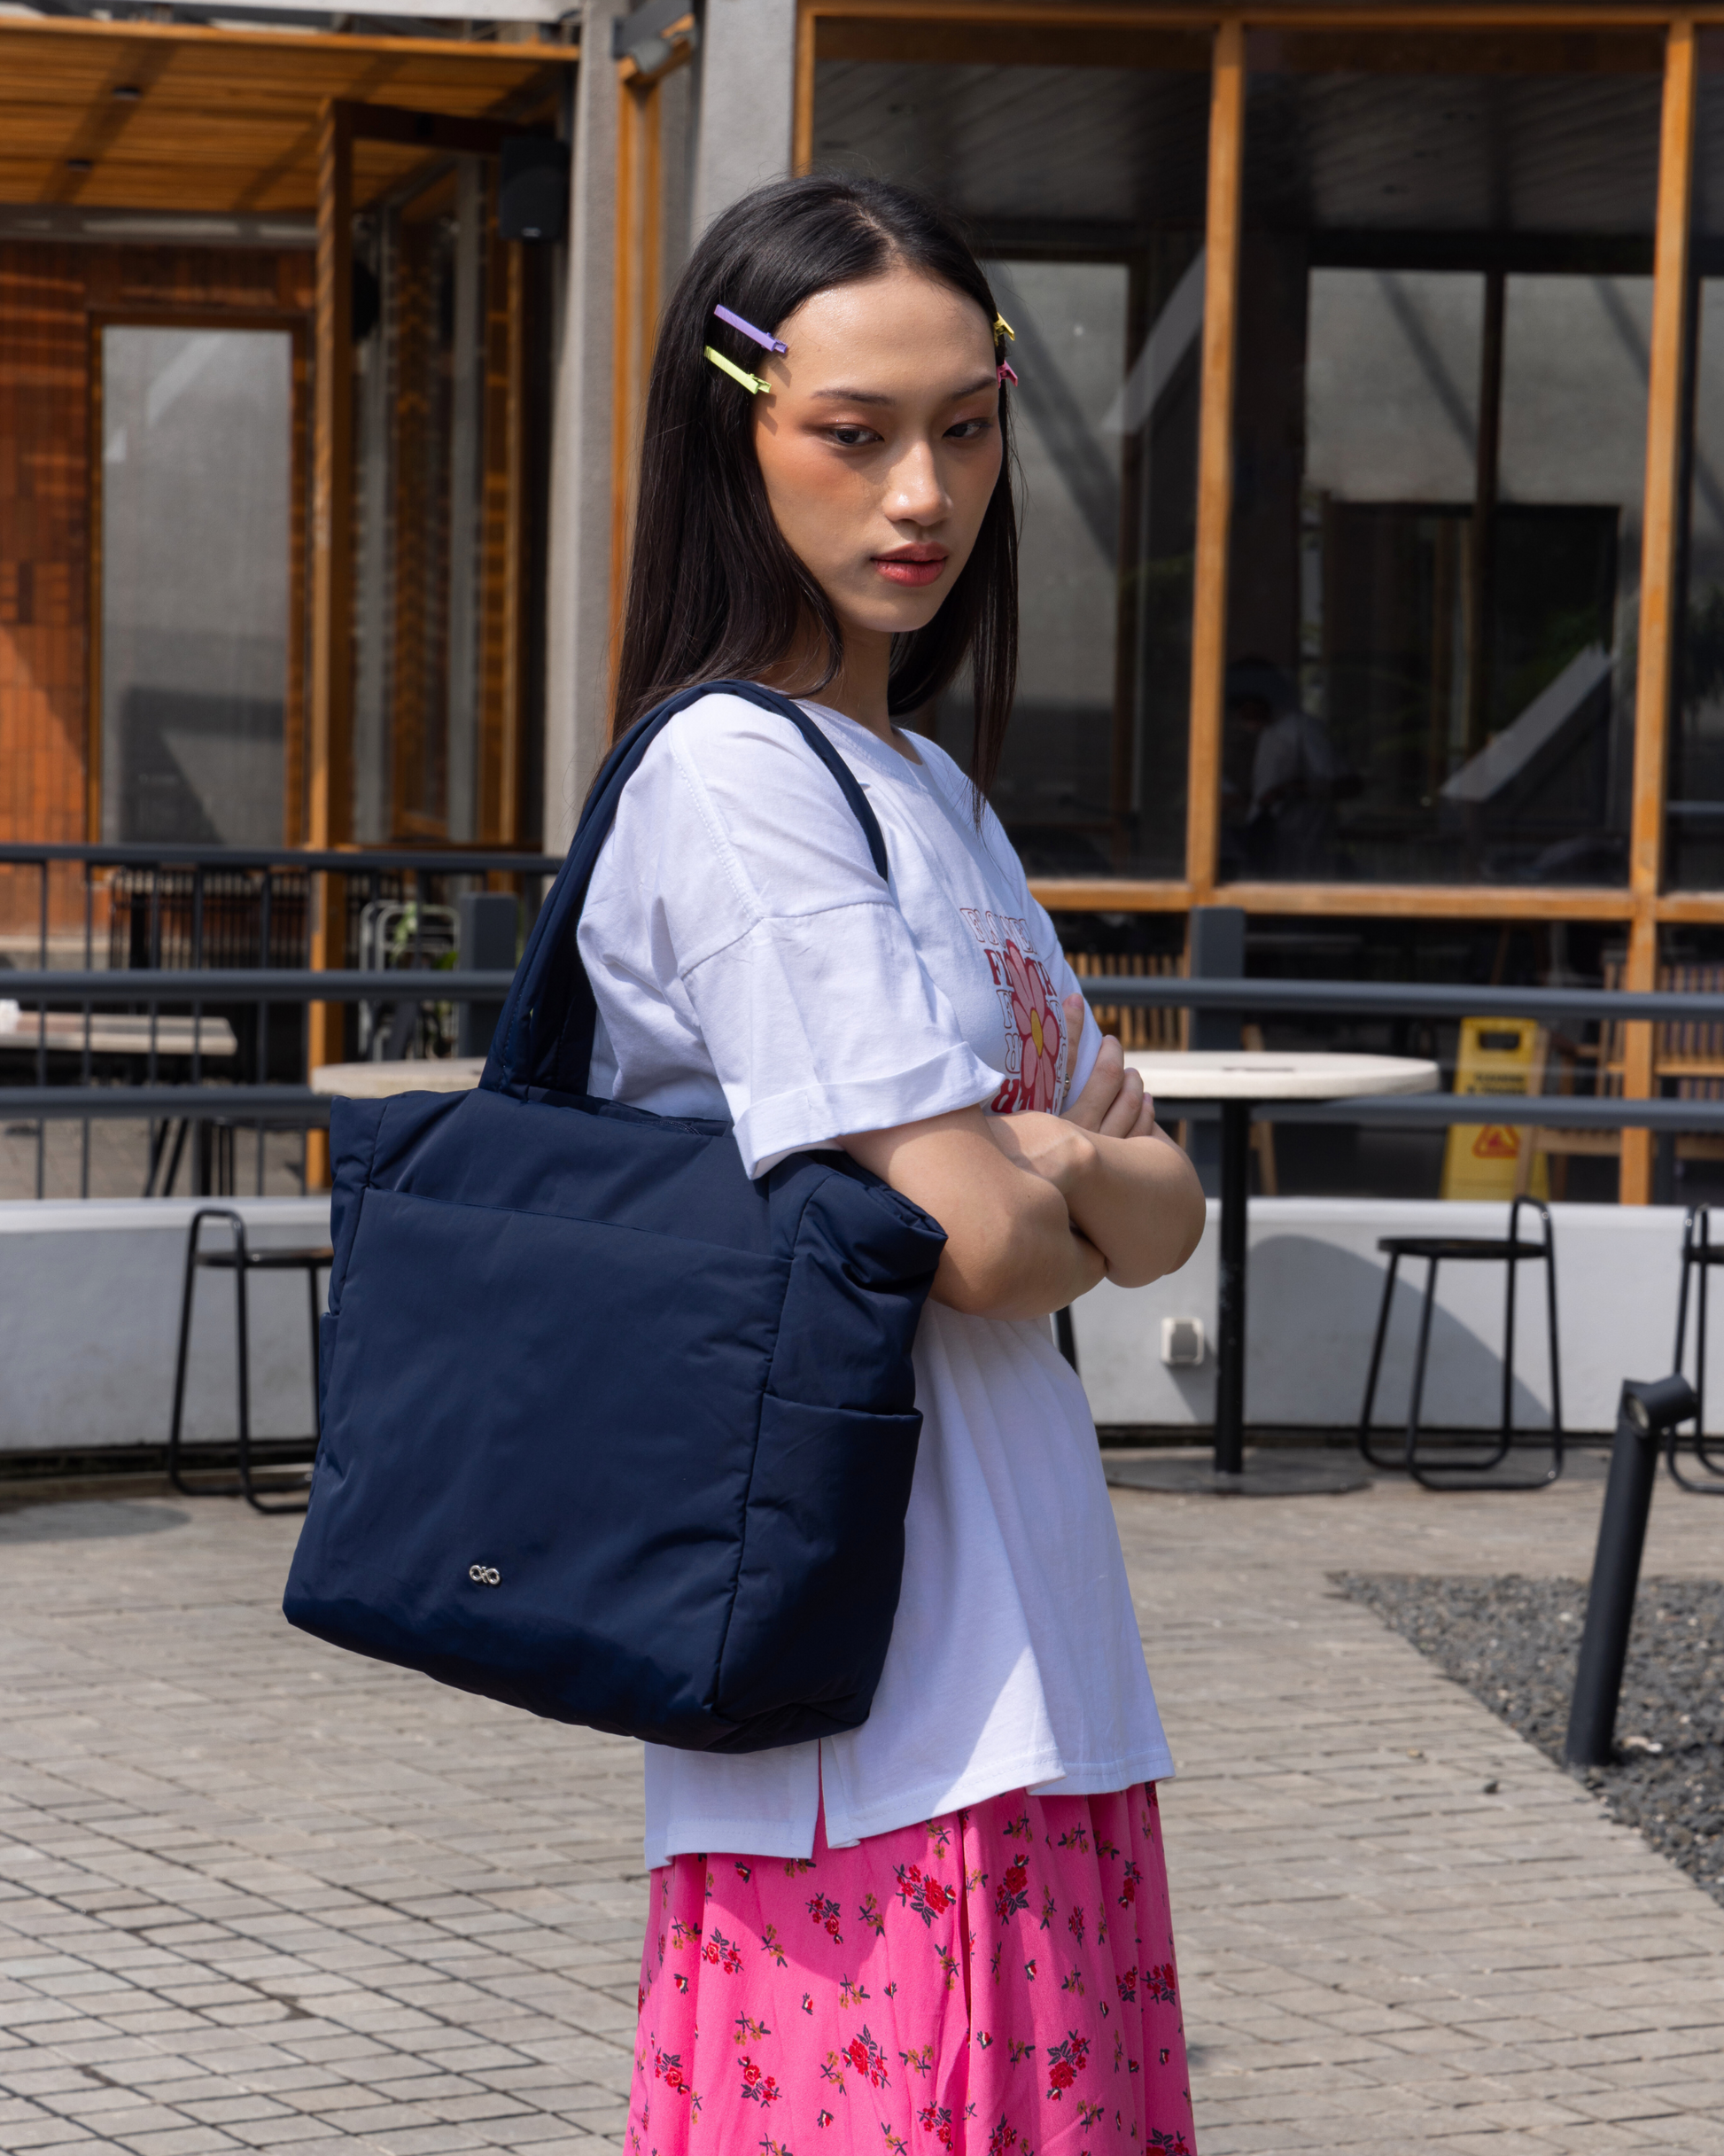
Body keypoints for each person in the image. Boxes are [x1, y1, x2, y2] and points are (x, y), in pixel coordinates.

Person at [581, 173, 1208, 2156]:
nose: (921, 494)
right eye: (851, 435)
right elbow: (996, 1249)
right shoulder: (730, 779)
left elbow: (1163, 1211)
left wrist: (1041, 1160)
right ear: (733, 436)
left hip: (1029, 1675)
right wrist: (1043, 1173)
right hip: (870, 1714)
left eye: (963, 428)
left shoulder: (931, 790)